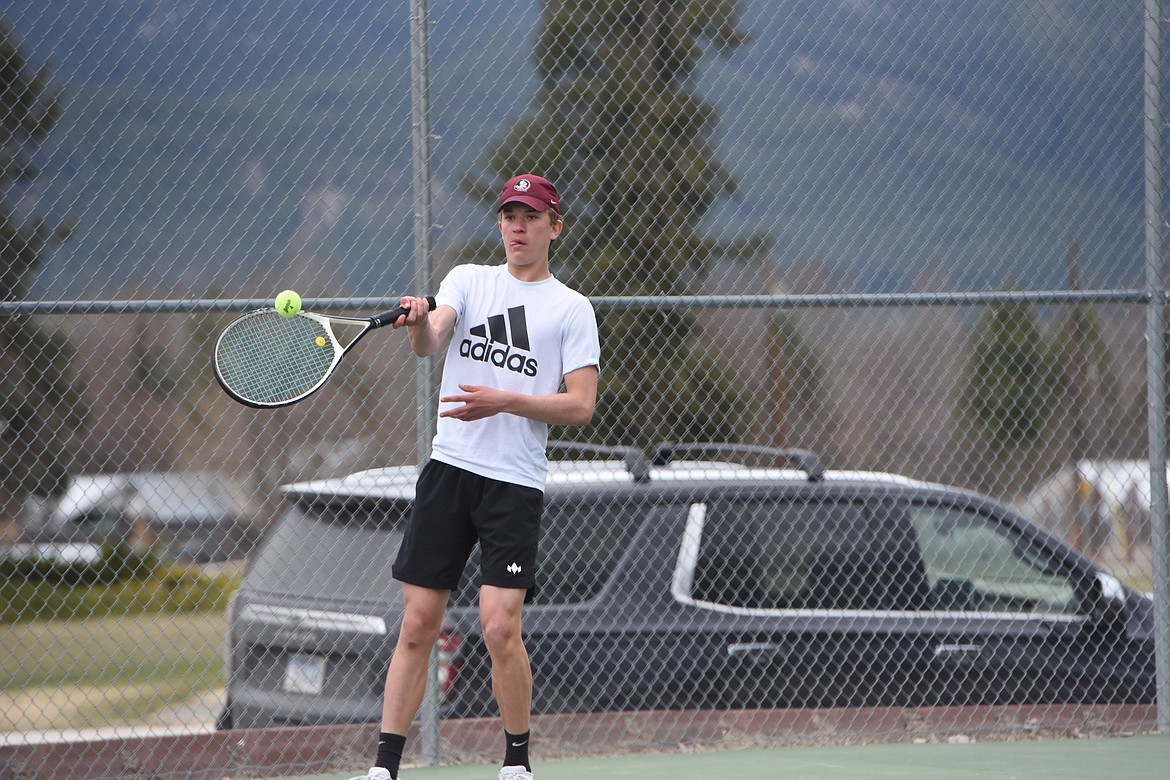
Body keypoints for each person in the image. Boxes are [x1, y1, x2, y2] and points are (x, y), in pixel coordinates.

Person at [351, 174, 601, 780]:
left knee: (498, 626)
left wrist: (506, 400)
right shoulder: (467, 280)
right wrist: (415, 322)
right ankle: (385, 767)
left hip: (513, 484)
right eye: (510, 215)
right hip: (450, 472)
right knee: (417, 623)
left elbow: (580, 406)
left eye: (531, 216)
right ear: (500, 225)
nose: (519, 226)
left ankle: (516, 763)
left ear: (553, 228)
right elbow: (430, 342)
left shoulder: (572, 309)